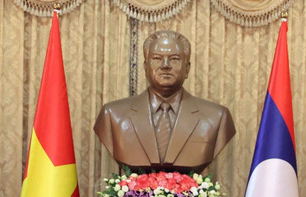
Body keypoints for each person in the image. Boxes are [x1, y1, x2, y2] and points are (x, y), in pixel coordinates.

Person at [94, 30, 236, 173]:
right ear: (145, 68)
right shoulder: (112, 115)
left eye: (174, 59)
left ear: (187, 69)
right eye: (157, 58)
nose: (165, 65)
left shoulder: (217, 117)